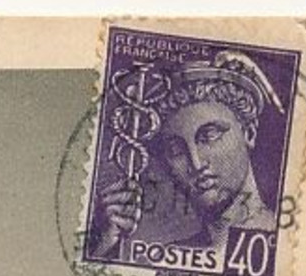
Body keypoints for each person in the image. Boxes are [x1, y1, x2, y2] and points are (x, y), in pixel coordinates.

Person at [92, 50, 287, 259]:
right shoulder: (169, 256)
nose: (195, 162)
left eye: (209, 136)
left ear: (249, 133)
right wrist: (104, 244)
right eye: (176, 150)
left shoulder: (290, 245)